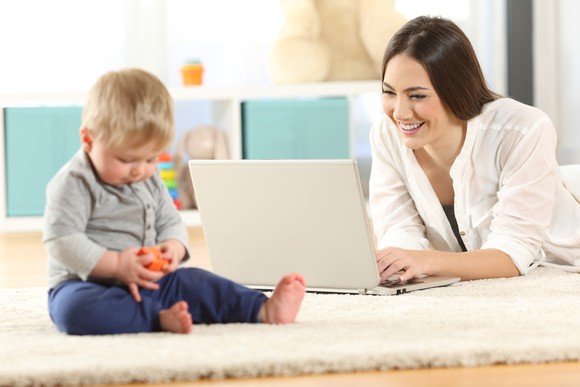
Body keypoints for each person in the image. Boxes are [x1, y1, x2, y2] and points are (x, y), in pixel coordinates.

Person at [43, 68, 306, 335]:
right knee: (74, 311)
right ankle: (155, 317)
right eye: (126, 160)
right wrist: (117, 265)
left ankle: (262, 309)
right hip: (87, 284)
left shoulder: (148, 176)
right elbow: (62, 240)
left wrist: (173, 248)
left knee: (198, 282)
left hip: (153, 281)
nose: (139, 170)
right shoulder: (74, 183)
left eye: (150, 158)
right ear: (88, 139)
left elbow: (169, 220)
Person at [369, 16, 580, 283]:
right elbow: (399, 232)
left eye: (417, 95)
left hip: (559, 265)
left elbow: (513, 251)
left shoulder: (523, 129)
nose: (399, 112)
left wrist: (427, 260)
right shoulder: (386, 135)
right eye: (389, 92)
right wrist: (396, 263)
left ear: (456, 90)